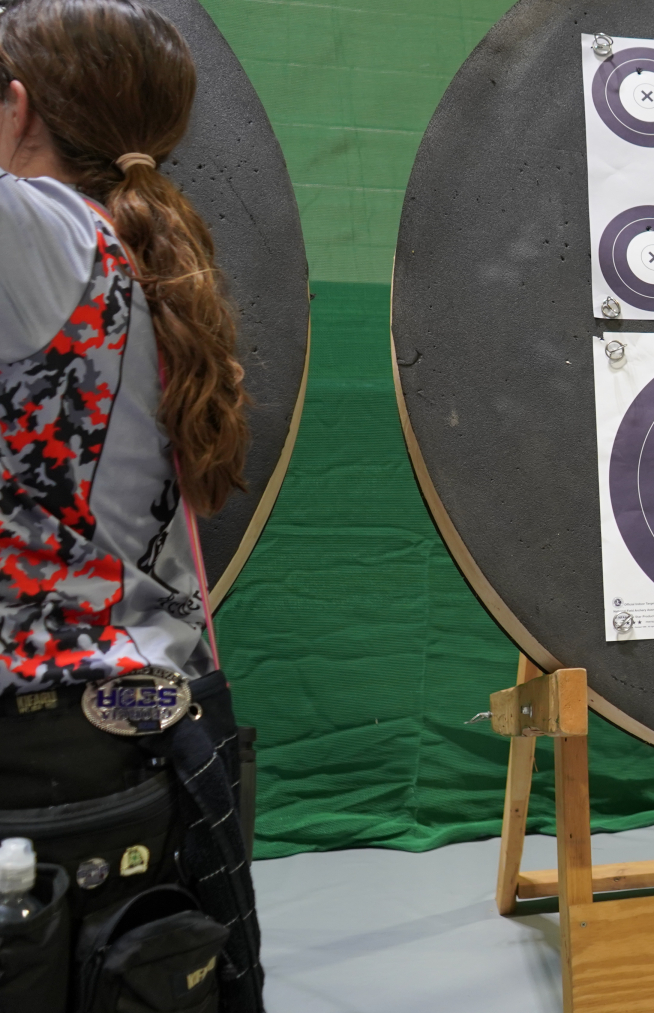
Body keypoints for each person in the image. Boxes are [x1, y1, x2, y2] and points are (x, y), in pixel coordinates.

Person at [0, 0, 262, 1007]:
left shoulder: (42, 232)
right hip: (145, 732)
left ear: (19, 107)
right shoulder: (135, 249)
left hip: (39, 751)